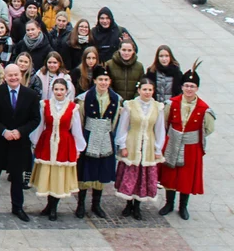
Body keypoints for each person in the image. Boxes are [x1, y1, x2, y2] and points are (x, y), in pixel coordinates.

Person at [0, 63, 40, 222]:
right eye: (10, 75)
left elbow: (35, 119)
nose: (13, 77)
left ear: (21, 75)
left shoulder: (31, 95)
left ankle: (18, 207)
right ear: (4, 77)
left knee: (17, 178)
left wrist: (20, 131)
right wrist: (3, 131)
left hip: (19, 143)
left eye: (16, 75)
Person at [157, 64, 215, 221]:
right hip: (173, 141)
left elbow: (209, 128)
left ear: (197, 88)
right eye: (187, 85)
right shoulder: (172, 103)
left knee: (186, 177)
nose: (189, 89)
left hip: (191, 146)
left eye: (192, 86)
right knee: (170, 174)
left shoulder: (204, 108)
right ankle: (169, 203)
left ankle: (183, 206)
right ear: (182, 87)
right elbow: (165, 122)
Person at [28, 78, 86, 221]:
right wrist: (35, 141)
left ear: (67, 91)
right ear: (52, 90)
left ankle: (54, 207)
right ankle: (49, 205)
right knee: (48, 175)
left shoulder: (73, 108)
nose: (59, 92)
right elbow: (40, 125)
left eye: (61, 89)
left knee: (58, 176)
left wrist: (78, 148)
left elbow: (77, 129)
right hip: (47, 142)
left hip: (64, 143)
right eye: (56, 89)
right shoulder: (45, 105)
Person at [114, 76, 166, 220]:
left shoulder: (158, 107)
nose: (147, 93)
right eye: (144, 90)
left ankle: (137, 206)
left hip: (148, 144)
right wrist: (122, 145)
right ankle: (128, 204)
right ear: (139, 90)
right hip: (132, 141)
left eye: (150, 90)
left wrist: (157, 149)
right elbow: (123, 127)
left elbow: (160, 129)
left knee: (143, 175)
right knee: (131, 174)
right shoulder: (130, 105)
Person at [75, 65, 121, 219]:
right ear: (94, 80)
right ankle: (81, 204)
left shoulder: (115, 99)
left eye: (106, 80)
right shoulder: (84, 98)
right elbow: (80, 119)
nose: (103, 83)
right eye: (100, 79)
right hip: (89, 134)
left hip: (105, 137)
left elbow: (114, 121)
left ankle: (96, 204)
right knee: (85, 170)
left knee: (101, 171)